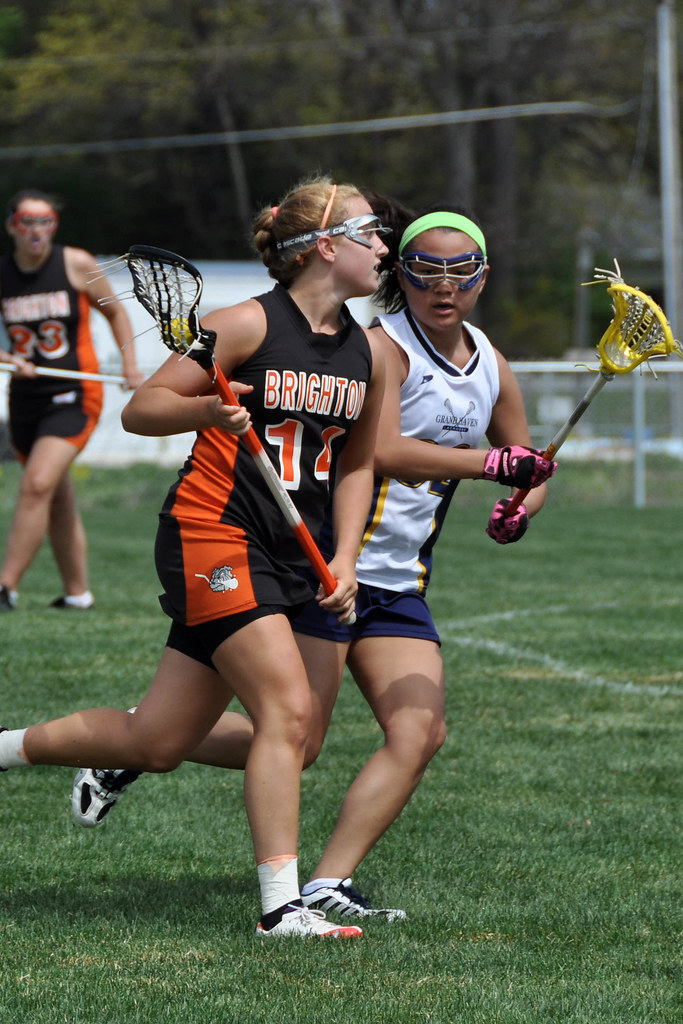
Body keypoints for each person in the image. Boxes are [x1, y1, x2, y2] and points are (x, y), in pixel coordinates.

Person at [66, 200, 556, 921]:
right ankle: (150, 755)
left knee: (416, 732)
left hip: (397, 578)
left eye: (461, 271)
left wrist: (522, 501)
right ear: (401, 275)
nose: (443, 285)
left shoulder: (491, 365)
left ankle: (326, 882)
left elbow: (528, 466)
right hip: (323, 567)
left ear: (483, 276)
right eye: (424, 269)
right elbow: (378, 452)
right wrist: (487, 465)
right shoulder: (376, 347)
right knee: (295, 733)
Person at [0, 176, 390, 940]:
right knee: (286, 712)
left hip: (294, 553)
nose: (383, 246)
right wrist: (208, 408)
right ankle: (281, 908)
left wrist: (345, 556)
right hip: (212, 531)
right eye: (369, 232)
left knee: (164, 742)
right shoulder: (244, 323)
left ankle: (8, 748)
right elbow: (143, 407)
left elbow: (357, 465)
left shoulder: (366, 351)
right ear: (324, 246)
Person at [0, 189, 144, 611]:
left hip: (74, 394)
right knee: (55, 493)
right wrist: (9, 360)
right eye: (27, 221)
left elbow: (115, 311)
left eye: (45, 221)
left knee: (37, 484)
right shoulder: (3, 273)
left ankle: (6, 586)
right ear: (12, 226)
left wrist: (130, 365)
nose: (36, 230)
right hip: (25, 397)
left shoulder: (75, 263)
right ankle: (78, 594)